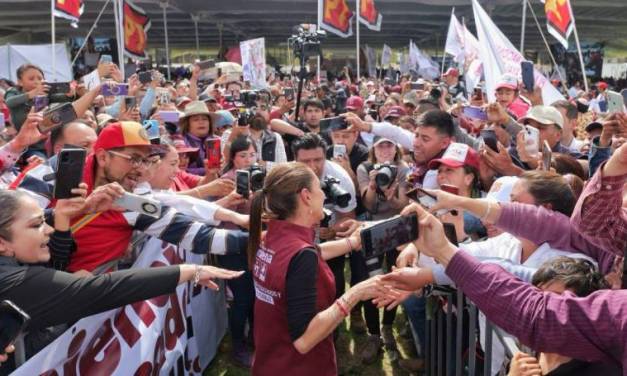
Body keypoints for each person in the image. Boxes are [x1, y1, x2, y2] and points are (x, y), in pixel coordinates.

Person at [0, 189, 243, 369]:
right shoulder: (13, 279)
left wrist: (73, 212)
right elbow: (99, 290)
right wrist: (188, 272)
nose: (49, 229)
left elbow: (55, 264)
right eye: (36, 225)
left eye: (45, 220)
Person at [248, 162, 384, 375]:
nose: (323, 194)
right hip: (300, 367)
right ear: (306, 196)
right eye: (319, 188)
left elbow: (311, 252)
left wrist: (351, 242)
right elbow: (304, 341)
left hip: (271, 360)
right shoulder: (301, 256)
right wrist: (356, 293)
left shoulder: (272, 237)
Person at [507, 257, 620, 376]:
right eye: (538, 297)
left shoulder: (603, 369)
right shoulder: (525, 345)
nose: (542, 308)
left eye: (555, 300)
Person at [354, 135, 410, 362]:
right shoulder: (364, 168)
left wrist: (392, 196)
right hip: (372, 227)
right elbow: (368, 204)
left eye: (389, 145)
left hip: (397, 227)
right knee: (371, 280)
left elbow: (403, 205)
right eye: (381, 146)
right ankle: (374, 334)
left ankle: (387, 327)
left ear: (396, 148)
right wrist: (373, 185)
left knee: (395, 277)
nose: (386, 150)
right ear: (373, 150)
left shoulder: (403, 169)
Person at [292, 134, 357, 302]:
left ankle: (335, 319)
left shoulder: (340, 178)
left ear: (325, 157)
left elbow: (348, 217)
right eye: (305, 161)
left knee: (334, 281)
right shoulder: (287, 178)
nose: (312, 166)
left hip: (329, 240)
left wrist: (332, 230)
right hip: (296, 240)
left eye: (318, 160)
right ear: (294, 159)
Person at [346, 109, 454, 189]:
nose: (415, 143)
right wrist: (364, 126)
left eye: (425, 139)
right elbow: (395, 132)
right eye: (416, 135)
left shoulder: (452, 167)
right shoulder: (427, 144)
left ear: (444, 143)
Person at [179, 100, 220, 176]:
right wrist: (206, 170)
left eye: (205, 119)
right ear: (187, 124)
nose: (201, 122)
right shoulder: (180, 141)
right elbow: (179, 171)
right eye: (196, 120)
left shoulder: (217, 140)